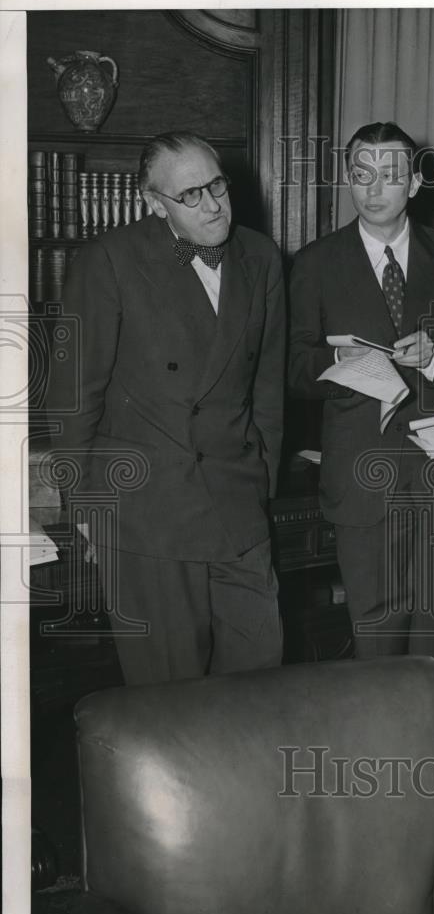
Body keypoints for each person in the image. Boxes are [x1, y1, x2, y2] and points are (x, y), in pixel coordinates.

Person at [51, 131, 285, 685]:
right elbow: (73, 395)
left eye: (218, 186)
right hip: (147, 515)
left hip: (237, 505)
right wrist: (86, 508)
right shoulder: (109, 261)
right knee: (168, 703)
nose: (212, 205)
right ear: (155, 203)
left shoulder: (261, 256)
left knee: (260, 681)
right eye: (190, 195)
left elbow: (268, 388)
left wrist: (263, 480)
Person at [288, 121, 434, 665]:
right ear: (348, 179)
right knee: (375, 628)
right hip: (361, 476)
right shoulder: (315, 263)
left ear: (415, 184)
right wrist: (335, 362)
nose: (374, 190)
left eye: (390, 175)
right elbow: (292, 366)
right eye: (361, 174)